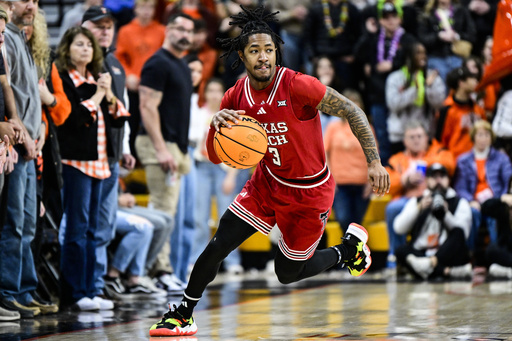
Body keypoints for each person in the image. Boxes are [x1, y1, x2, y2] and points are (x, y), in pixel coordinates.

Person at [148, 5, 389, 336]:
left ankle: (347, 250)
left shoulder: (298, 85)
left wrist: (373, 160)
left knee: (287, 273)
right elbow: (215, 157)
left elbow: (351, 109)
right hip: (267, 184)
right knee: (219, 243)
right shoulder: (235, 95)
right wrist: (216, 128)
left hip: (309, 192)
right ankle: (183, 312)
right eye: (254, 51)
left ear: (277, 52)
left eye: (269, 50)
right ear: (243, 57)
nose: (263, 57)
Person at [55, 26, 129, 310]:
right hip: (75, 163)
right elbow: (74, 119)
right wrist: (99, 95)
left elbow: (120, 116)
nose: (86, 49)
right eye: (79, 45)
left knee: (93, 230)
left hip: (100, 163)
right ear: (67, 49)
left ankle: (90, 290)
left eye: (89, 45)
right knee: (76, 229)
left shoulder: (96, 80)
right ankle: (73, 294)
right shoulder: (65, 79)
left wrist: (107, 94)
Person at [135, 12, 195, 294]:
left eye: (189, 30)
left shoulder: (180, 64)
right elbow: (147, 107)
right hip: (160, 145)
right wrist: (161, 149)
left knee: (170, 214)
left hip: (176, 147)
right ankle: (159, 271)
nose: (185, 34)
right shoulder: (158, 63)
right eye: (179, 28)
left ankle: (162, 269)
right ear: (167, 30)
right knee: (162, 211)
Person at [0, 0, 53, 319]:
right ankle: (8, 290)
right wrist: (20, 129)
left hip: (32, 141)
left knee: (29, 223)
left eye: (35, 1)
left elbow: (31, 95)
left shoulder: (23, 38)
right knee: (15, 222)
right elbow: (9, 91)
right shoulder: (6, 36)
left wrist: (39, 132)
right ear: (7, 4)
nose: (32, 5)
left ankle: (24, 288)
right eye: (25, 0)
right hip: (18, 143)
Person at [82, 5, 137, 301]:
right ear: (83, 27)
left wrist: (126, 147)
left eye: (108, 25)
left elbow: (123, 109)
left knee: (103, 224)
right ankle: (80, 286)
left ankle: (97, 283)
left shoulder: (115, 63)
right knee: (83, 225)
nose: (105, 30)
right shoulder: (79, 60)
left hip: (113, 155)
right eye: (98, 25)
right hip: (87, 156)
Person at [385, 121, 455, 268]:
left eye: (419, 136)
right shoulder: (397, 159)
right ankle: (395, 256)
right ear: (404, 141)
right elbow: (387, 184)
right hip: (408, 199)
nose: (416, 140)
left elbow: (449, 164)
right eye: (411, 137)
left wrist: (425, 163)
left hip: (433, 196)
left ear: (426, 138)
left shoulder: (437, 151)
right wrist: (405, 180)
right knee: (392, 208)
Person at [394, 163, 473, 280]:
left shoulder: (459, 202)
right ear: (426, 180)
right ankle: (446, 272)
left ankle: (429, 265)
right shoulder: (417, 201)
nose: (438, 180)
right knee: (400, 251)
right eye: (434, 177)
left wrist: (446, 214)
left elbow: (463, 234)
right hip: (421, 253)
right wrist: (419, 208)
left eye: (442, 176)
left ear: (449, 180)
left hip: (446, 254)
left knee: (458, 233)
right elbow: (398, 228)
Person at [115, 0, 165, 158]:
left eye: (150, 7)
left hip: (156, 88)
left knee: (157, 125)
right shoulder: (126, 31)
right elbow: (119, 58)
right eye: (143, 6)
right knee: (132, 123)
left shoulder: (162, 30)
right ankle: (131, 162)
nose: (146, 11)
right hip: (134, 86)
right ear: (135, 8)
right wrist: (128, 75)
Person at [454, 120, 512, 253]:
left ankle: (498, 252)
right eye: (479, 135)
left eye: (486, 135)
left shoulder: (501, 158)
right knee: (471, 214)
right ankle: (471, 253)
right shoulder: (463, 160)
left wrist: (502, 197)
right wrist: (471, 201)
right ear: (473, 137)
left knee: (496, 211)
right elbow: (460, 187)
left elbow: (508, 181)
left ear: (491, 138)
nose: (483, 139)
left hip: (495, 199)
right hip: (474, 202)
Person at [324, 89, 372, 233]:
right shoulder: (333, 127)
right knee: (344, 219)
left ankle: (352, 253)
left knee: (357, 223)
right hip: (340, 184)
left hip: (361, 183)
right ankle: (351, 251)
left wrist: (371, 182)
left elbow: (374, 157)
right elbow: (325, 153)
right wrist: (329, 179)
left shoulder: (367, 128)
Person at [385, 41, 446, 154]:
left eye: (424, 53)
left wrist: (427, 87)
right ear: (408, 56)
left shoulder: (432, 77)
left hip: (425, 134)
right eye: (418, 53)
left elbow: (439, 103)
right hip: (400, 135)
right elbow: (393, 105)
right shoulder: (395, 78)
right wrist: (415, 90)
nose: (423, 56)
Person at [436, 66, 486, 160]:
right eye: (472, 79)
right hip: (456, 160)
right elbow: (440, 141)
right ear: (461, 83)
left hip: (478, 159)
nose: (476, 82)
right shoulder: (447, 109)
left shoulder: (477, 109)